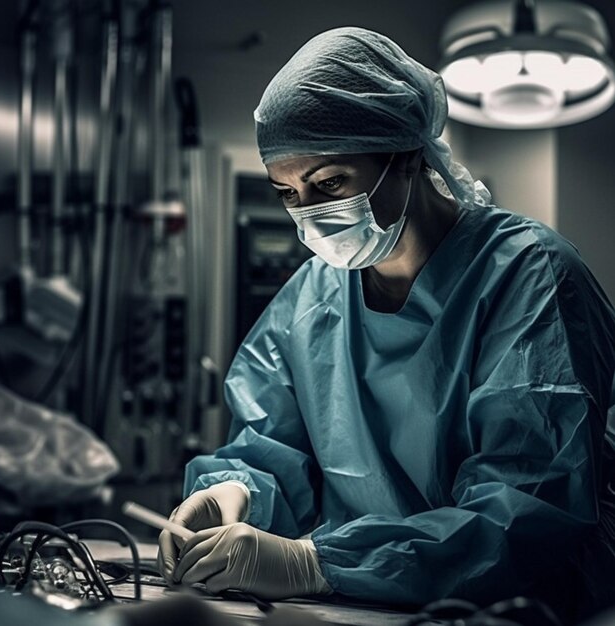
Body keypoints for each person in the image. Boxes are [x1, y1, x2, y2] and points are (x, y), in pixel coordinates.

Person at [157, 26, 615, 623]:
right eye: (288, 193)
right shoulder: (313, 296)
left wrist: (313, 563)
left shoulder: (530, 275)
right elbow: (272, 445)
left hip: (521, 607)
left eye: (329, 184)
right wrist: (235, 492)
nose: (310, 213)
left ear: (404, 156)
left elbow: (525, 509)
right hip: (362, 604)